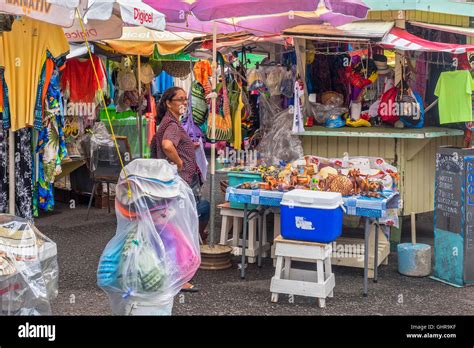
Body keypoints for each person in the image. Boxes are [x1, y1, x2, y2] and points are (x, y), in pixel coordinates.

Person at [150, 87, 210, 293]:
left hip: (171, 183)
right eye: (180, 99)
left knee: (174, 227)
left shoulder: (167, 122)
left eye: (186, 99)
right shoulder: (173, 124)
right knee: (181, 228)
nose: (184, 102)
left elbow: (169, 144)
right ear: (168, 102)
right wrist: (180, 162)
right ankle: (181, 276)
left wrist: (186, 149)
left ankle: (177, 270)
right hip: (179, 183)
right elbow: (167, 145)